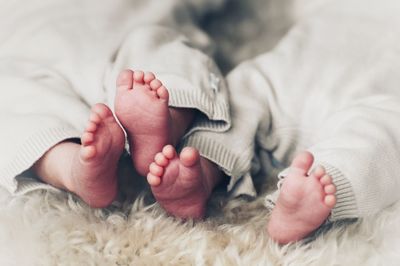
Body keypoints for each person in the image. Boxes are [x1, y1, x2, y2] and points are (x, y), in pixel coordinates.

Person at [146, 0, 400, 244]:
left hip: (374, 98)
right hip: (297, 71)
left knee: (384, 134)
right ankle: (202, 167)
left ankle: (315, 190)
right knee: (243, 90)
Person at [0, 0, 230, 213]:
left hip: (132, 40)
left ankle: (166, 128)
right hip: (30, 55)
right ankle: (73, 167)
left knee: (169, 58)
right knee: (10, 95)